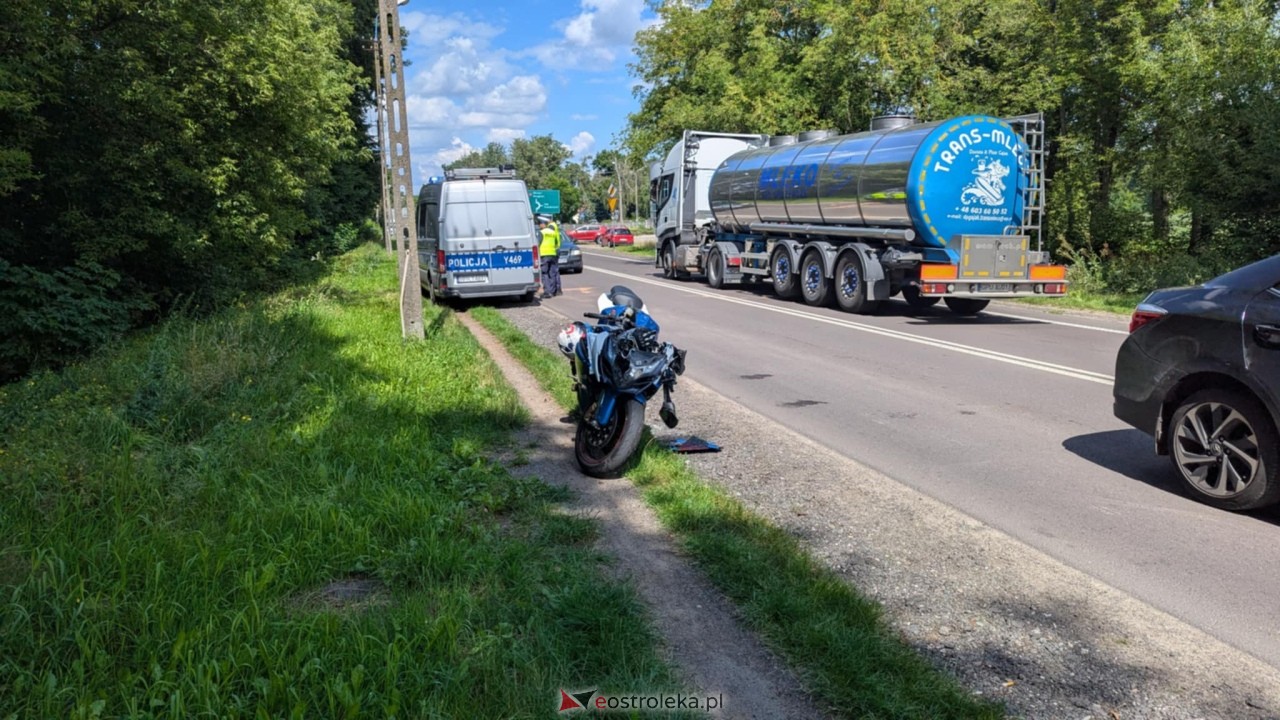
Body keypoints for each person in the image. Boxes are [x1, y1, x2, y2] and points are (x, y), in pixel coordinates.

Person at [538, 216, 562, 298]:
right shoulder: (553, 232)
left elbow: (538, 243)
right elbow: (556, 243)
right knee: (552, 273)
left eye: (539, 224)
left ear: (543, 224)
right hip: (553, 254)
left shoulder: (541, 232)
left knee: (544, 273)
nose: (539, 226)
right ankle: (553, 291)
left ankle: (547, 292)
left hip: (544, 255)